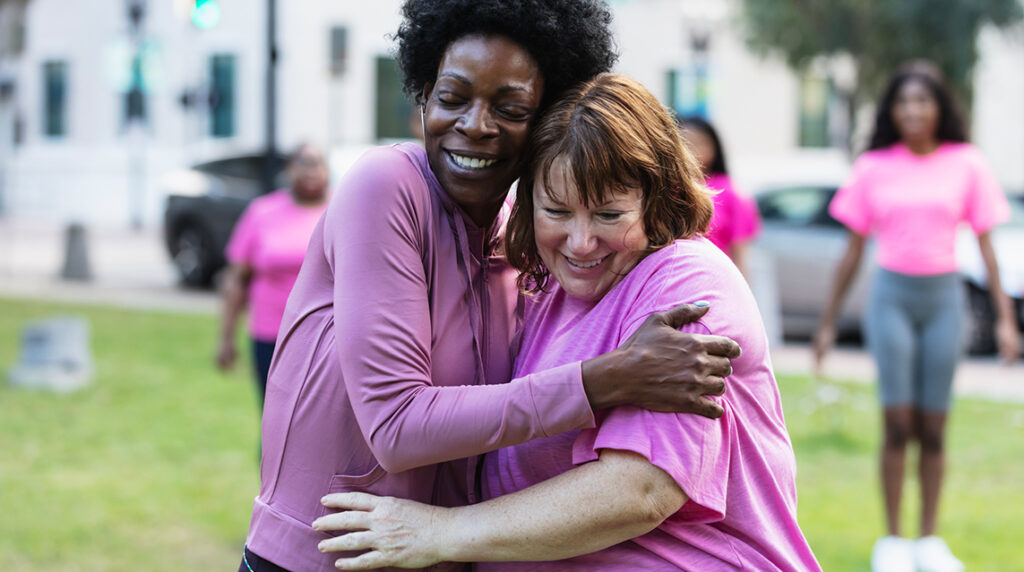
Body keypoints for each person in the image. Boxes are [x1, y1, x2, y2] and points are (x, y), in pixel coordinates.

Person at [241, 3, 741, 571]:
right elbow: (397, 425)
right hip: (322, 556)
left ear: (546, 118)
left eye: (510, 107)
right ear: (424, 96)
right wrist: (611, 379)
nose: (476, 124)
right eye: (452, 98)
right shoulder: (388, 186)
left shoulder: (528, 240)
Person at [314, 73, 820, 571]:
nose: (580, 243)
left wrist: (440, 532)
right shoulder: (546, 287)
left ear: (656, 200)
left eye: (608, 215)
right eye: (557, 211)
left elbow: (640, 490)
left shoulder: (688, 290)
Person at [812, 61, 1020, 572]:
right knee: (897, 421)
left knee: (934, 424)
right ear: (892, 110)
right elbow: (851, 251)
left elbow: (989, 250)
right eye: (903, 102)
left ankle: (928, 540)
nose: (912, 110)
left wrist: (1005, 320)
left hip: (944, 299)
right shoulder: (874, 166)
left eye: (922, 101)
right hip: (893, 299)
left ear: (939, 107)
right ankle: (893, 542)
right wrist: (827, 321)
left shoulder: (966, 162)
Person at [217, 142, 330, 408]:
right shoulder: (262, 212)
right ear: (289, 170)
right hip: (271, 337)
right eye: (303, 163)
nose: (311, 172)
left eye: (317, 163)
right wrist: (226, 338)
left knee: (321, 420)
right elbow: (236, 279)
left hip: (326, 339)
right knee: (274, 418)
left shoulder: (343, 209)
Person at [679, 116, 761, 276]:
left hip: (715, 280)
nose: (691, 151)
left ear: (714, 148)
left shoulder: (731, 193)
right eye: (684, 143)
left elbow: (740, 254)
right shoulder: (669, 190)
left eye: (698, 143)